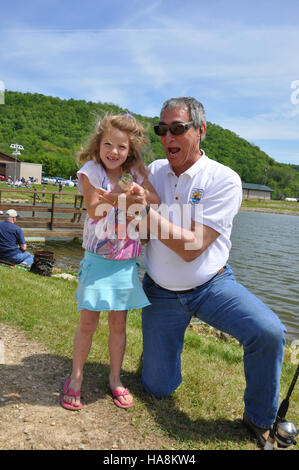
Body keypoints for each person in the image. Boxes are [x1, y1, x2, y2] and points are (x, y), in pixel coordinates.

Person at [128, 97, 286, 448]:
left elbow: (193, 247)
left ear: (200, 130)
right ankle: (160, 355)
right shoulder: (153, 171)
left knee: (269, 332)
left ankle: (259, 418)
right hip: (159, 291)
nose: (168, 135)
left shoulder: (223, 179)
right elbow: (138, 232)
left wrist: (143, 214)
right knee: (157, 388)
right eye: (162, 129)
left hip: (211, 285)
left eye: (178, 128)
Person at [61, 114, 160, 411]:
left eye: (121, 147)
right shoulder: (90, 171)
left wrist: (136, 194)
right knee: (88, 322)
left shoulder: (136, 171)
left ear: (131, 150)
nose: (114, 152)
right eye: (108, 144)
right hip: (97, 261)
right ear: (98, 144)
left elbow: (153, 197)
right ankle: (75, 377)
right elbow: (94, 210)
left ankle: (115, 378)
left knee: (119, 324)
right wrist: (125, 199)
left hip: (126, 263)